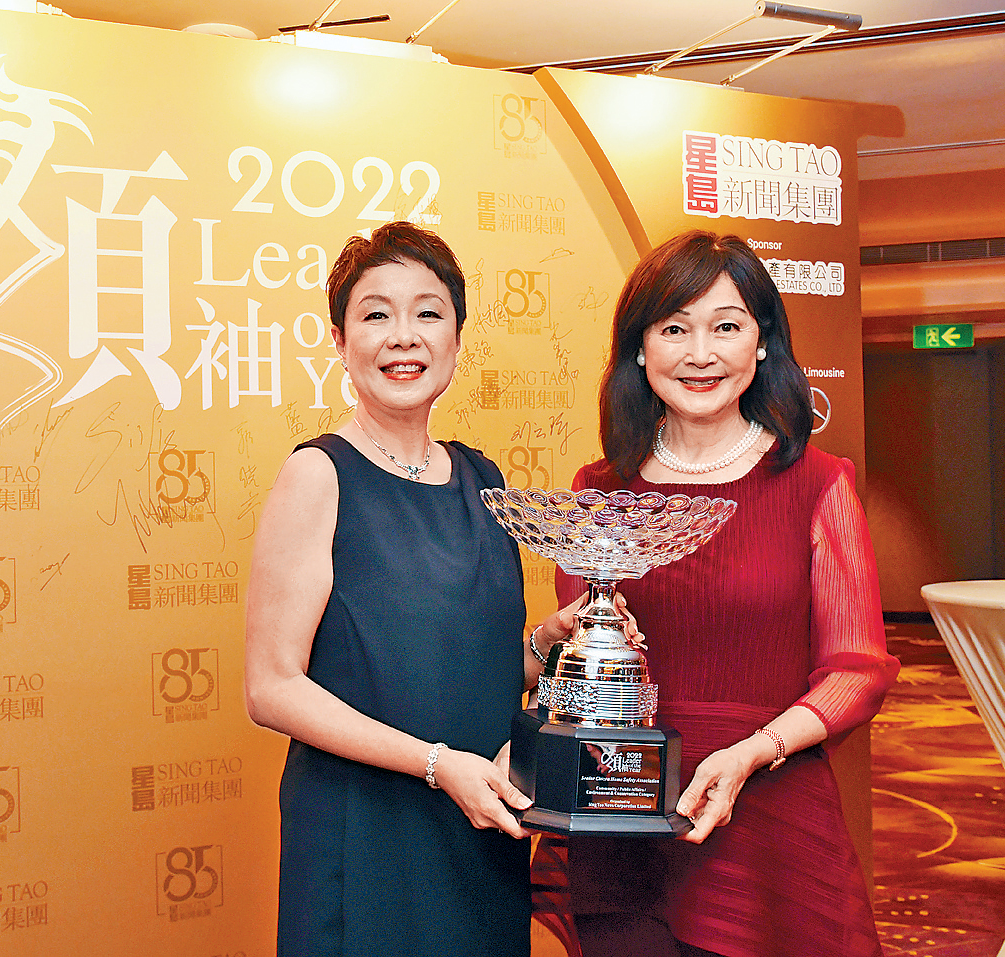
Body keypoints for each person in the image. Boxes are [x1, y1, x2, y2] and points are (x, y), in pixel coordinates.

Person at [533, 229, 900, 957]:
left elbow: (855, 670)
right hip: (622, 814)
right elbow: (581, 675)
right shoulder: (597, 491)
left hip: (768, 817)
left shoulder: (817, 482)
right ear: (640, 350)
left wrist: (753, 752)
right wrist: (551, 638)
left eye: (725, 327)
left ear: (761, 344)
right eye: (674, 329)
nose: (700, 353)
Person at [244, 221, 575, 957]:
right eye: (375, 315)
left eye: (428, 312)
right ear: (339, 340)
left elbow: (466, 666)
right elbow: (271, 687)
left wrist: (544, 646)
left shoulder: (484, 478)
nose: (404, 336)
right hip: (364, 831)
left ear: (456, 336)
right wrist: (436, 764)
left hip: (481, 826)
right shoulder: (318, 474)